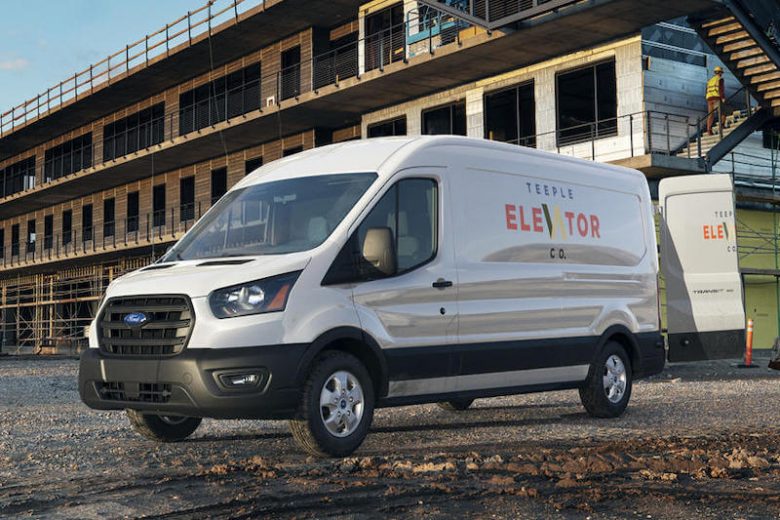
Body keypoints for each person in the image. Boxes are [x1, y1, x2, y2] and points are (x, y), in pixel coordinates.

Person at [706, 66, 726, 135]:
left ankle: (709, 130)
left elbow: (707, 90)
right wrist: (723, 98)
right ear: (720, 73)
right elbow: (721, 89)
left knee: (710, 115)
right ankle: (722, 126)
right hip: (716, 98)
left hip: (709, 99)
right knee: (722, 112)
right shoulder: (720, 79)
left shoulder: (710, 80)